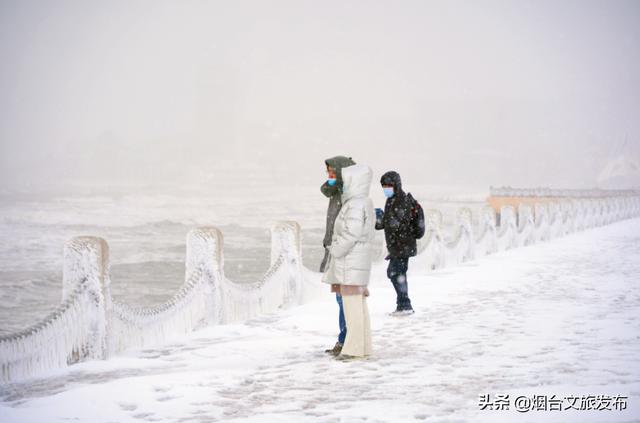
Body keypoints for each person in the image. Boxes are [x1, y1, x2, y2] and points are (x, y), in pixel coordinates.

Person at [322, 164, 375, 359]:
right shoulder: (363, 202)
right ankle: (363, 348)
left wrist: (334, 248)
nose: (343, 184)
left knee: (353, 310)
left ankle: (353, 350)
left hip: (350, 263)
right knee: (358, 309)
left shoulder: (355, 204)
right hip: (356, 263)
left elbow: (351, 234)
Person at [375, 171, 425, 316]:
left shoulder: (401, 200)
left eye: (388, 185)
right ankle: (403, 304)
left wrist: (381, 218)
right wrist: (379, 220)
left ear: (396, 185)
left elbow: (396, 223)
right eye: (384, 186)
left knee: (395, 273)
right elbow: (389, 223)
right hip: (399, 246)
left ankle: (404, 305)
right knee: (396, 273)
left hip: (403, 245)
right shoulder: (392, 199)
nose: (386, 188)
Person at [320, 156, 356, 356]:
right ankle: (345, 339)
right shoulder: (336, 192)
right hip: (335, 250)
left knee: (345, 299)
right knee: (341, 298)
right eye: (328, 172)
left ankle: (346, 340)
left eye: (332, 172)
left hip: (344, 253)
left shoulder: (349, 196)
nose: (328, 176)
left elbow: (350, 228)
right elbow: (325, 189)